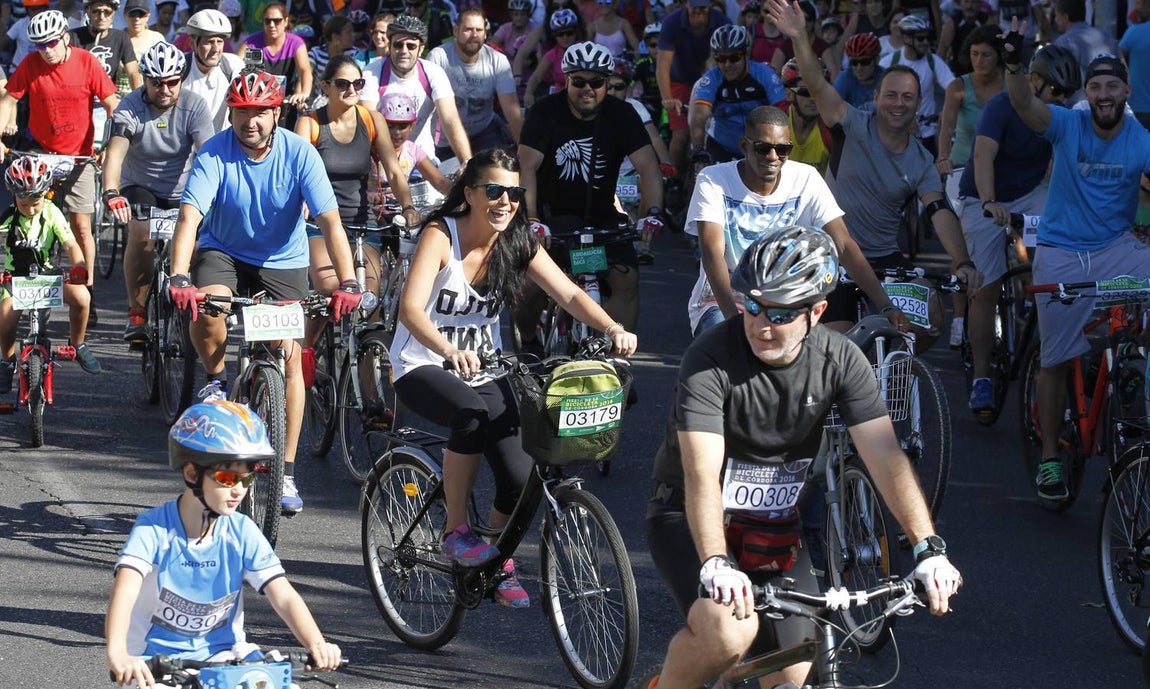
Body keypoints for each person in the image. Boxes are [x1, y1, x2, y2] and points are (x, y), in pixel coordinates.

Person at [645, 225, 961, 689]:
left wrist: (927, 547)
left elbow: (885, 456)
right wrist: (716, 560)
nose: (760, 323)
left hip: (773, 524)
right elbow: (701, 473)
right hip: (690, 515)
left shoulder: (840, 359)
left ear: (817, 312)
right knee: (729, 633)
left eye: (779, 312)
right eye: (752, 305)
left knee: (794, 674)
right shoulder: (710, 357)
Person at [392, 147, 638, 609]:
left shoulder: (517, 240)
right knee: (470, 414)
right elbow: (410, 309)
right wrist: (447, 349)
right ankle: (456, 531)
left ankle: (498, 558)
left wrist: (611, 328)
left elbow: (565, 291)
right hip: (422, 363)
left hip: (485, 367)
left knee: (520, 473)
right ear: (469, 193)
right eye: (494, 191)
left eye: (513, 192)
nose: (505, 201)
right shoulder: (440, 236)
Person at [167, 71, 362, 515]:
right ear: (231, 114)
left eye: (260, 112)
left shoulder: (300, 153)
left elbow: (330, 222)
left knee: (288, 353)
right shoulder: (215, 152)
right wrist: (180, 276)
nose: (250, 121)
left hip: (283, 260)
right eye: (241, 113)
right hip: (225, 251)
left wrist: (348, 281)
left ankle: (287, 471)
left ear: (276, 113)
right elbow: (189, 218)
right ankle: (215, 381)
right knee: (210, 305)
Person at [767, 0, 980, 347]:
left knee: (928, 319)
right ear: (877, 97)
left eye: (908, 97)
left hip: (884, 258)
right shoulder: (850, 123)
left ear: (917, 102)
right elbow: (817, 84)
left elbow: (939, 210)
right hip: (832, 255)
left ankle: (896, 375)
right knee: (835, 350)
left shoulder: (921, 161)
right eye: (891, 95)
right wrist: (800, 36)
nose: (899, 103)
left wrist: (962, 261)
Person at [1002, 27, 1150, 502]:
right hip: (1063, 251)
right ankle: (1049, 456)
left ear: (1126, 92)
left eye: (1113, 87)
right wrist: (1014, 67)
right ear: (1087, 94)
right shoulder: (1069, 124)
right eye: (1096, 88)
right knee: (1055, 360)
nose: (1104, 95)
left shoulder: (1142, 139)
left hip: (1117, 249)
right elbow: (1026, 106)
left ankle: (1132, 374)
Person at [105, 400, 343, 688]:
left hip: (227, 658)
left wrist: (317, 643)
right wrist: (118, 653)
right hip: (155, 664)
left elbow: (283, 596)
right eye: (227, 478)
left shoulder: (242, 531)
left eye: (247, 478)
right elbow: (125, 591)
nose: (239, 490)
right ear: (192, 474)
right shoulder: (153, 529)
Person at [686, 105, 905, 336]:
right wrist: (734, 323)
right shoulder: (713, 179)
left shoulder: (806, 178)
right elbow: (712, 253)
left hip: (787, 305)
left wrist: (885, 305)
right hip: (721, 304)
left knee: (828, 356)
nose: (773, 157)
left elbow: (844, 245)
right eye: (763, 148)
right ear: (744, 146)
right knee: (728, 355)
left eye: (782, 149)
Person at [516, 42, 665, 350]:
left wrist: (652, 212)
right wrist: (531, 219)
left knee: (627, 280)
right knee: (530, 286)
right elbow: (526, 169)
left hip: (602, 219)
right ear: (565, 80)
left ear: (607, 84)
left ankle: (616, 360)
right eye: (579, 81)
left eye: (596, 82)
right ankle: (528, 343)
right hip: (549, 219)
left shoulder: (622, 114)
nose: (588, 89)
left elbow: (649, 167)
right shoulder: (545, 112)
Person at [958, 44, 1078, 417]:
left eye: (1067, 95)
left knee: (1057, 262)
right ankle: (981, 378)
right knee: (987, 286)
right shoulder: (1001, 106)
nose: (1060, 100)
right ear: (1035, 81)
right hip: (984, 194)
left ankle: (1051, 343)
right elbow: (982, 157)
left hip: (1030, 193)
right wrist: (991, 201)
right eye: (1056, 91)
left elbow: (1067, 163)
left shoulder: (1057, 115)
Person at [295, 54, 420, 347]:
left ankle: (366, 390)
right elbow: (297, 173)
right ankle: (304, 354)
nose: (351, 89)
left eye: (358, 83)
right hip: (320, 224)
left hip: (363, 223)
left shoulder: (371, 119)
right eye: (342, 84)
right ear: (325, 86)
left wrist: (408, 207)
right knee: (329, 291)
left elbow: (394, 169)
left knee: (369, 299)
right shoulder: (310, 124)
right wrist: (301, 201)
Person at [0, 10, 120, 305]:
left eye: (52, 42)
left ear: (66, 37)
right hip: (43, 153)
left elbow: (112, 104)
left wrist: (110, 145)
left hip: (80, 155)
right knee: (34, 218)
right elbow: (9, 99)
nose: (47, 50)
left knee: (81, 226)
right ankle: (34, 280)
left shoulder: (86, 61)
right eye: (40, 45)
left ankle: (86, 289)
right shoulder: (31, 64)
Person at [102, 42, 214, 346]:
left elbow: (207, 153)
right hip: (140, 185)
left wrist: (218, 192)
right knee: (141, 232)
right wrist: (111, 191)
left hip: (182, 188)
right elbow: (115, 154)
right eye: (156, 82)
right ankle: (137, 312)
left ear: (181, 79)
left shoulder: (195, 105)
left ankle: (190, 301)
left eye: (172, 82)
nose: (164, 89)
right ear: (145, 80)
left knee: (200, 240)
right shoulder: (129, 107)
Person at [0, 155, 100, 387]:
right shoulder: (9, 215)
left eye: (36, 202)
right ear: (14, 197)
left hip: (47, 275)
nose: (31, 209)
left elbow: (70, 243)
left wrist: (79, 266)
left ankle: (78, 343)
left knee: (82, 297)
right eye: (24, 204)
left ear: (46, 194)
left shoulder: (51, 212)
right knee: (5, 317)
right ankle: (6, 360)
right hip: (16, 278)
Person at [362, 15, 472, 164]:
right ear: (390, 47)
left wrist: (466, 162)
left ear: (421, 50)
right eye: (398, 45)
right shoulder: (371, 73)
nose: (404, 51)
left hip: (424, 162)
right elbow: (370, 121)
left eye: (411, 46)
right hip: (382, 161)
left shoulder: (433, 72)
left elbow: (450, 120)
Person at [427, 7, 523, 154]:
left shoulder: (498, 60)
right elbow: (442, 114)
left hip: (484, 132)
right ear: (455, 31)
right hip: (444, 139)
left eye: (479, 30)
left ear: (486, 34)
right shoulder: (438, 57)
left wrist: (526, 154)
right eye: (468, 29)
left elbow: (512, 111)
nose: (474, 35)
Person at [688, 24, 787, 165]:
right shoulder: (711, 79)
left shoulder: (765, 74)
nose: (727, 64)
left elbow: (782, 113)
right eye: (720, 58)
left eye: (734, 58)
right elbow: (699, 117)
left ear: (745, 54)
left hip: (759, 145)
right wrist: (698, 150)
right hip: (721, 146)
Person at [656, 0, 729, 182]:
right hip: (680, 82)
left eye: (703, 6)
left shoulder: (722, 22)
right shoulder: (672, 22)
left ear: (710, 6)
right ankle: (673, 182)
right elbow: (663, 64)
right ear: (686, 4)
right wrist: (667, 98)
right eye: (695, 6)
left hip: (714, 79)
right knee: (680, 135)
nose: (699, 11)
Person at [877, 12, 954, 155]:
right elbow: (878, 97)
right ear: (906, 38)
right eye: (920, 38)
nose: (925, 42)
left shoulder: (933, 61)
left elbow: (953, 87)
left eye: (928, 38)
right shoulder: (889, 62)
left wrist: (945, 111)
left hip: (928, 134)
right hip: (898, 133)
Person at [242, 3, 313, 123]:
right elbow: (235, 66)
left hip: (286, 104)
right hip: (258, 105)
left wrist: (303, 93)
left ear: (286, 21)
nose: (272, 25)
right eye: (267, 21)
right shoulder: (253, 43)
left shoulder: (295, 43)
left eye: (277, 21)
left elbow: (305, 70)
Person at [182, 8, 247, 132]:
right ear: (193, 44)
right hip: (186, 148)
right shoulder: (180, 69)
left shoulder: (232, 65)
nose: (216, 49)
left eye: (220, 42)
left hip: (221, 146)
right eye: (209, 42)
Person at [73, 0, 143, 96]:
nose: (102, 17)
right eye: (96, 11)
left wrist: (140, 100)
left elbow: (133, 73)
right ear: (87, 12)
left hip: (107, 100)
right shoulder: (72, 37)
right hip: (79, 98)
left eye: (107, 12)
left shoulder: (121, 37)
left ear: (113, 13)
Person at [778, 57, 832, 174]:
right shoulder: (774, 123)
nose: (813, 98)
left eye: (818, 91)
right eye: (805, 92)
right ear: (789, 94)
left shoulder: (832, 130)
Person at [523, 8, 585, 107]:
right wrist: (528, 93)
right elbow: (536, 77)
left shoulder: (586, 50)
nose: (565, 37)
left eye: (569, 33)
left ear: (575, 32)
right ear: (554, 35)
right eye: (560, 34)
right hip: (560, 101)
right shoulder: (552, 54)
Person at [1120, 0, 1150, 131]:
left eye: (1139, 3)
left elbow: (1116, 56)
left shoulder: (1134, 32)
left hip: (1138, 108)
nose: (1136, 8)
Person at [834, 31, 883, 109]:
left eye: (865, 62)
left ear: (877, 60)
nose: (859, 68)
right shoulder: (845, 78)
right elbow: (832, 108)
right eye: (854, 62)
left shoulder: (886, 78)